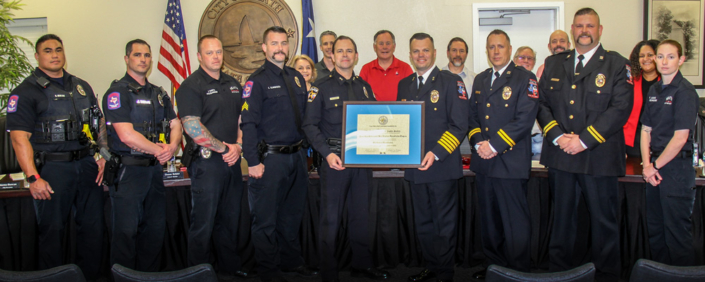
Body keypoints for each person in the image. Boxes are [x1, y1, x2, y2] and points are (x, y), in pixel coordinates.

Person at [536, 8, 632, 281]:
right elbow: (541, 104)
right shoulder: (554, 63)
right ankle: (562, 274)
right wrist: (557, 136)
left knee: (604, 223)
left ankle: (606, 275)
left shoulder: (617, 64)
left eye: (590, 25)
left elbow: (620, 109)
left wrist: (583, 140)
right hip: (561, 155)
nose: (584, 30)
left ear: (600, 30)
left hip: (599, 156)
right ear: (572, 29)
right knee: (562, 222)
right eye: (579, 26)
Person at [7, 34, 105, 280]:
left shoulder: (80, 86)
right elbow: (19, 138)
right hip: (52, 170)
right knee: (52, 232)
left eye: (58, 49)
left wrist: (103, 154)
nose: (54, 54)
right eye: (48, 50)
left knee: (93, 229)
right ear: (38, 56)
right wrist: (33, 177)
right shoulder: (25, 91)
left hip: (85, 165)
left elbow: (97, 123)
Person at [302, 35, 391, 282]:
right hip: (335, 161)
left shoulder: (364, 86)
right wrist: (327, 154)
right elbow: (309, 125)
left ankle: (362, 265)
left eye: (349, 51)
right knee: (330, 219)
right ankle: (329, 273)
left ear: (356, 55)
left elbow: (375, 121)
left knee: (361, 215)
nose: (344, 55)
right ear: (331, 55)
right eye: (339, 51)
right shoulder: (320, 87)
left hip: (361, 161)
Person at [241, 26, 316, 282]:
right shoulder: (256, 81)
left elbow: (304, 117)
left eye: (283, 43)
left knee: (292, 216)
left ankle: (291, 262)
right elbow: (248, 124)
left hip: (296, 157)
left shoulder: (295, 77)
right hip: (270, 160)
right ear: (264, 47)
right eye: (274, 43)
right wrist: (252, 161)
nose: (279, 48)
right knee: (265, 220)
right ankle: (269, 272)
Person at [176, 35, 251, 279]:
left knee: (230, 219)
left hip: (231, 162)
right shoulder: (190, 86)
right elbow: (191, 127)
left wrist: (238, 145)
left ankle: (229, 268)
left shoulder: (233, 83)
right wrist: (224, 148)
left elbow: (242, 119)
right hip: (207, 163)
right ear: (199, 56)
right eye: (209, 53)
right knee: (203, 223)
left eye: (219, 52)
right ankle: (197, 272)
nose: (216, 56)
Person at [102, 39, 182, 271]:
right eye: (137, 55)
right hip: (128, 171)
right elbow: (126, 135)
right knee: (126, 233)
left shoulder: (158, 93)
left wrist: (172, 146)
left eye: (147, 55)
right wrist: (161, 150)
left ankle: (149, 277)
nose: (143, 59)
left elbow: (176, 123)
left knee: (154, 230)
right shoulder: (117, 92)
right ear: (127, 59)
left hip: (153, 171)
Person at [468, 30, 538, 280]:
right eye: (491, 47)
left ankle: (518, 271)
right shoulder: (481, 79)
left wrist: (494, 145)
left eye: (500, 46)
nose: (495, 51)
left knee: (514, 222)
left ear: (510, 49)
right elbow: (473, 117)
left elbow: (524, 120)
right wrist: (478, 144)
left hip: (509, 162)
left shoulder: (525, 78)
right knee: (489, 220)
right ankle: (494, 268)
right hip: (484, 163)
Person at [398, 33, 468, 282]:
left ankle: (445, 273)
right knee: (424, 222)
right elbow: (401, 125)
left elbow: (459, 126)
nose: (421, 55)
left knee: (444, 224)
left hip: (441, 166)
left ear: (435, 53)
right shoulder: (404, 84)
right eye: (416, 51)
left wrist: (436, 153)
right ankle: (431, 266)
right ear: (410, 55)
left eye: (425, 51)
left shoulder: (451, 82)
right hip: (414, 167)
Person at [640, 39, 698, 266]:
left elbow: (680, 138)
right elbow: (645, 130)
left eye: (671, 56)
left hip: (675, 170)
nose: (664, 61)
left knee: (677, 236)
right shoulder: (654, 89)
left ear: (681, 60)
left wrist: (653, 167)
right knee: (656, 232)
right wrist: (647, 165)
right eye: (660, 56)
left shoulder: (685, 91)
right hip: (653, 170)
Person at [624, 40, 660, 157]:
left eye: (650, 55)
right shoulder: (629, 82)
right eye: (642, 56)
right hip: (632, 140)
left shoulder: (667, 83)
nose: (646, 59)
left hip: (659, 140)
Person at [359, 30, 414, 101]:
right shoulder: (366, 69)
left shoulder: (405, 68)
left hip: (399, 112)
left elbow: (412, 96)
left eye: (388, 43)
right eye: (381, 43)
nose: (384, 47)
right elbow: (360, 97)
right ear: (374, 47)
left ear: (394, 46)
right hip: (372, 112)